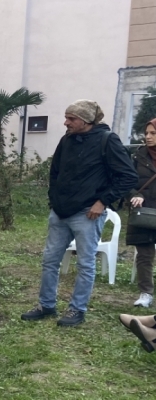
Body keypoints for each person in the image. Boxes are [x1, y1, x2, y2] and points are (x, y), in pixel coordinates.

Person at [21, 100, 137, 327]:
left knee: (85, 264)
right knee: (49, 260)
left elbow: (128, 177)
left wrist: (102, 202)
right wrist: (54, 201)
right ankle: (46, 305)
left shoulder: (107, 141)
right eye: (66, 117)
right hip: (60, 212)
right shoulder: (66, 140)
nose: (66, 122)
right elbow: (55, 173)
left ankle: (77, 309)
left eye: (71, 118)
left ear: (85, 120)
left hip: (88, 213)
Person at [127, 118, 156, 308]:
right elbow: (125, 181)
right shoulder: (138, 156)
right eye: (146, 133)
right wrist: (135, 194)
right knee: (144, 255)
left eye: (153, 133)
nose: (148, 137)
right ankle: (146, 293)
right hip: (145, 214)